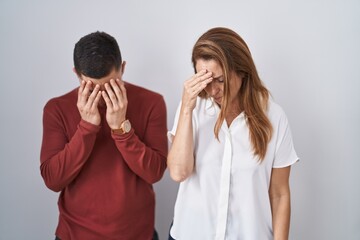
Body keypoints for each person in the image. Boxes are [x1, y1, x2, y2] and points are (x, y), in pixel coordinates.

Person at [167, 27, 299, 240]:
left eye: (220, 80)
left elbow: (279, 194)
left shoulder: (274, 117)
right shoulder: (192, 109)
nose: (212, 90)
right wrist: (185, 109)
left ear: (242, 71)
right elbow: (178, 172)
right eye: (205, 80)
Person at [40, 31, 168, 240]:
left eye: (110, 85)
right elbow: (53, 180)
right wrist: (87, 127)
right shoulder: (56, 109)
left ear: (123, 69)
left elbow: (154, 173)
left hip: (137, 234)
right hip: (75, 234)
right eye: (91, 86)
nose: (101, 95)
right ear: (77, 74)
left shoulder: (152, 102)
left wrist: (121, 129)